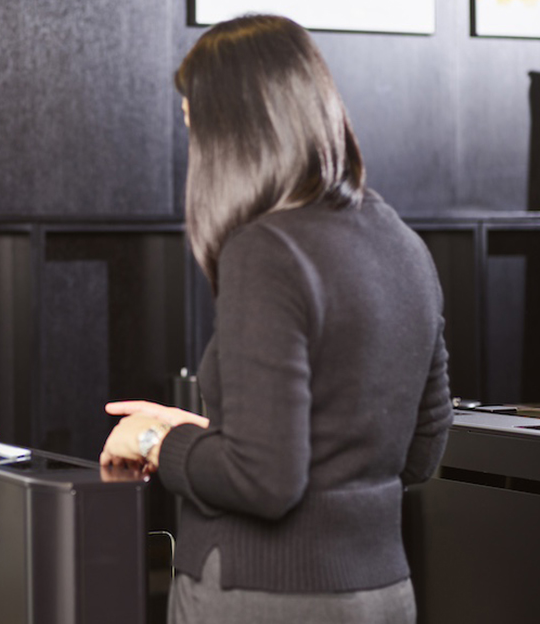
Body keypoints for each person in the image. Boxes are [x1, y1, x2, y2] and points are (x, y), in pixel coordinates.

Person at [100, 15, 452, 624]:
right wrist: (216, 436)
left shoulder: (265, 251)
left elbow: (265, 481)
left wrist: (157, 439)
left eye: (195, 130)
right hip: (384, 595)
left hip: (262, 597)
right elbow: (419, 453)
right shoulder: (401, 242)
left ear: (232, 134)